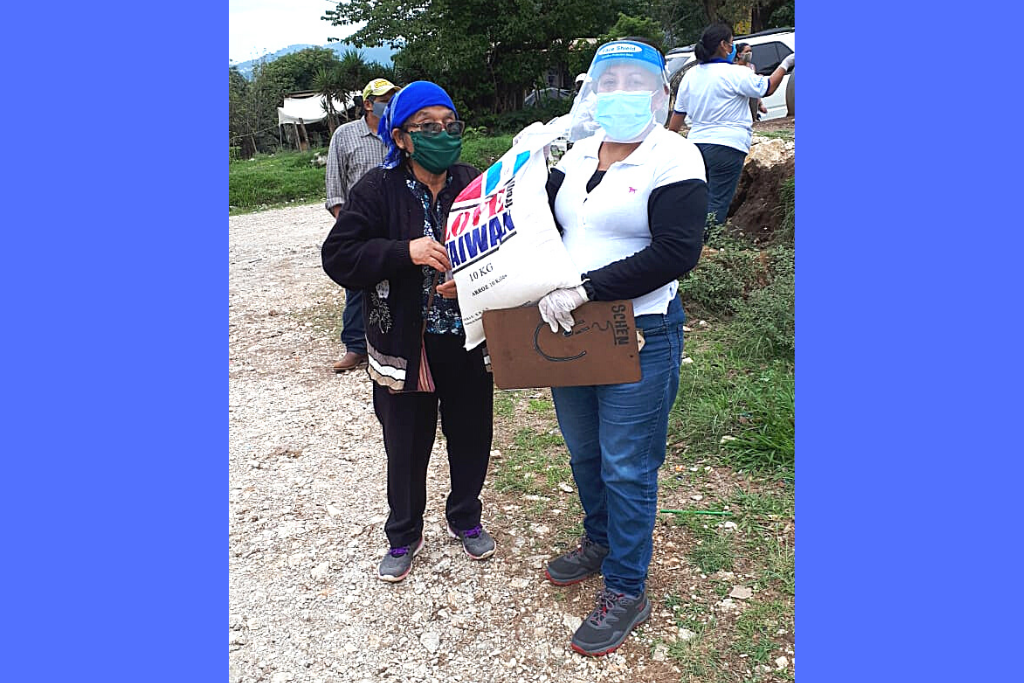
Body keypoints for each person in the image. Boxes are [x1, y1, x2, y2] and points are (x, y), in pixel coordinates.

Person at [538, 39, 707, 657]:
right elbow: (542, 224)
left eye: (635, 81)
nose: (621, 93)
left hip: (642, 330)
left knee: (627, 463)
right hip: (568, 328)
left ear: (660, 91)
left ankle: (628, 587)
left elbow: (675, 252)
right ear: (592, 91)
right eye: (608, 83)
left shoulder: (676, 156)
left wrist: (587, 288)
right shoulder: (580, 153)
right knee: (584, 451)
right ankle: (600, 538)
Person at [321, 81, 496, 583]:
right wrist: (405, 252)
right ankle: (403, 534)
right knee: (405, 442)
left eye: (449, 124)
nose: (442, 134)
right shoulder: (376, 190)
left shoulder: (474, 183)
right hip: (404, 344)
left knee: (471, 434)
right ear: (400, 138)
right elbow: (339, 256)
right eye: (427, 126)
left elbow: (506, 245)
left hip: (466, 339)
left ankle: (465, 516)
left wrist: (475, 280)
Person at [668, 23, 794, 230]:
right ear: (724, 46)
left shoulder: (690, 76)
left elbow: (677, 116)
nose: (734, 47)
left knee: (698, 199)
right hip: (727, 146)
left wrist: (669, 143)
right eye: (732, 42)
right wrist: (785, 64)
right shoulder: (735, 73)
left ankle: (690, 242)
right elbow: (768, 87)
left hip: (696, 146)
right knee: (717, 202)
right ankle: (707, 245)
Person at [324, 77, 399, 373]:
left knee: (398, 285)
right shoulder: (344, 136)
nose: (388, 104)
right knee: (357, 287)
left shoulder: (399, 132)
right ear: (368, 104)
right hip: (360, 224)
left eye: (393, 97)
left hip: (397, 221)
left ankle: (392, 342)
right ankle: (355, 347)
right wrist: (348, 230)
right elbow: (335, 186)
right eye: (383, 98)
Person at [734, 42, 768, 122]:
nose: (749, 53)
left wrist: (760, 104)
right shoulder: (735, 68)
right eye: (747, 51)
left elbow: (755, 88)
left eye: (750, 51)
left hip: (752, 101)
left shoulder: (752, 67)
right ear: (739, 54)